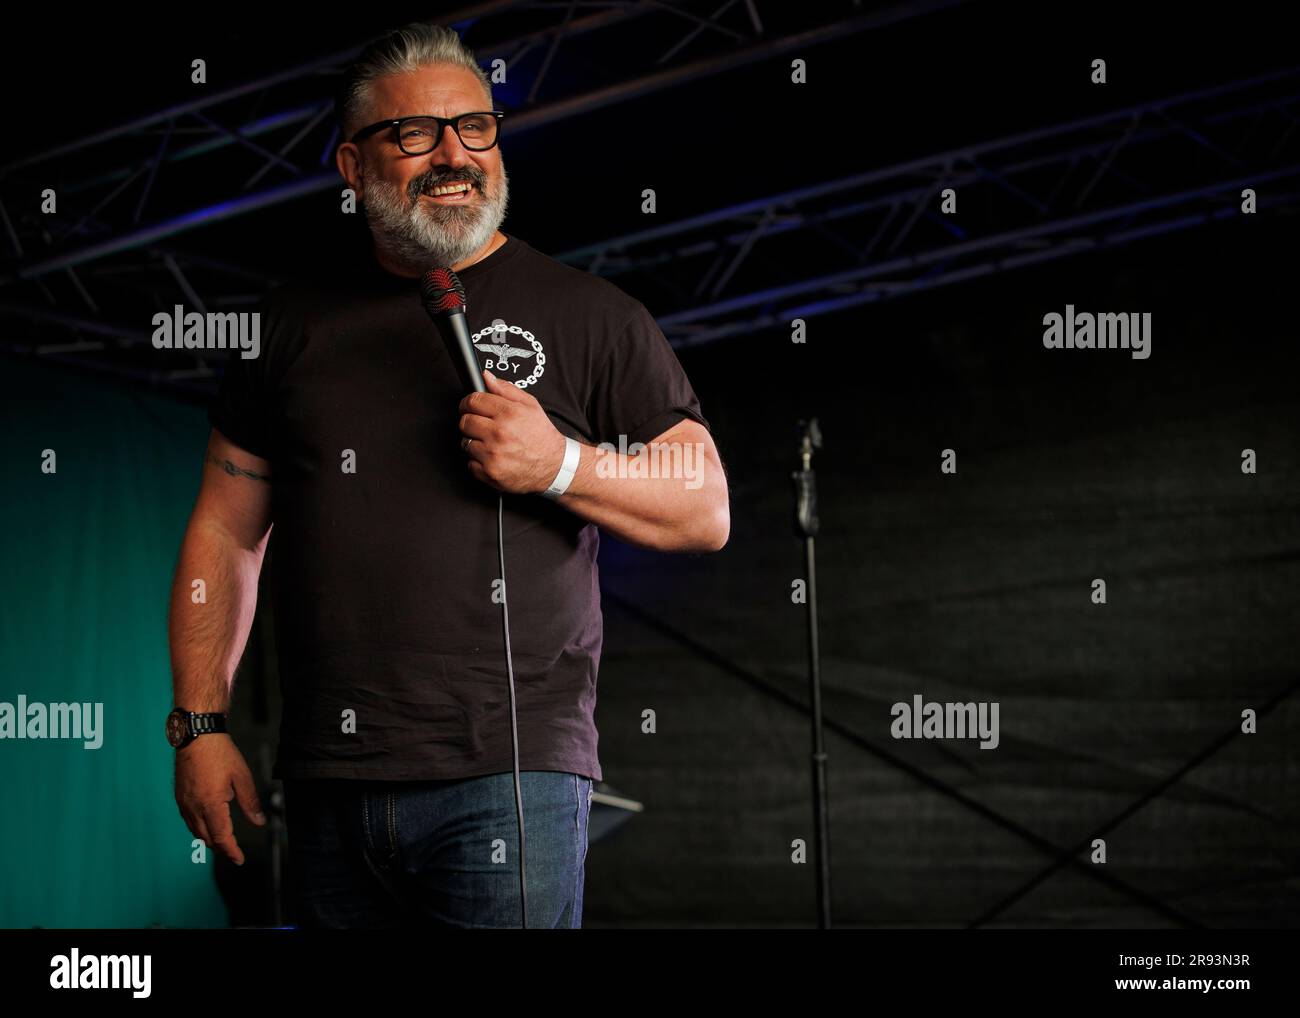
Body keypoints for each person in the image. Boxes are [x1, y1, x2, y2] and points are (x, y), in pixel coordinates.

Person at [166, 22, 729, 929]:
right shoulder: (290, 326)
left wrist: (561, 464)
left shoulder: (592, 316)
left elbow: (704, 504)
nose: (455, 155)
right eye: (416, 134)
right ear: (351, 167)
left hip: (510, 779)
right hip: (328, 780)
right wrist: (201, 723)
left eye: (475, 127)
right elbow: (225, 531)